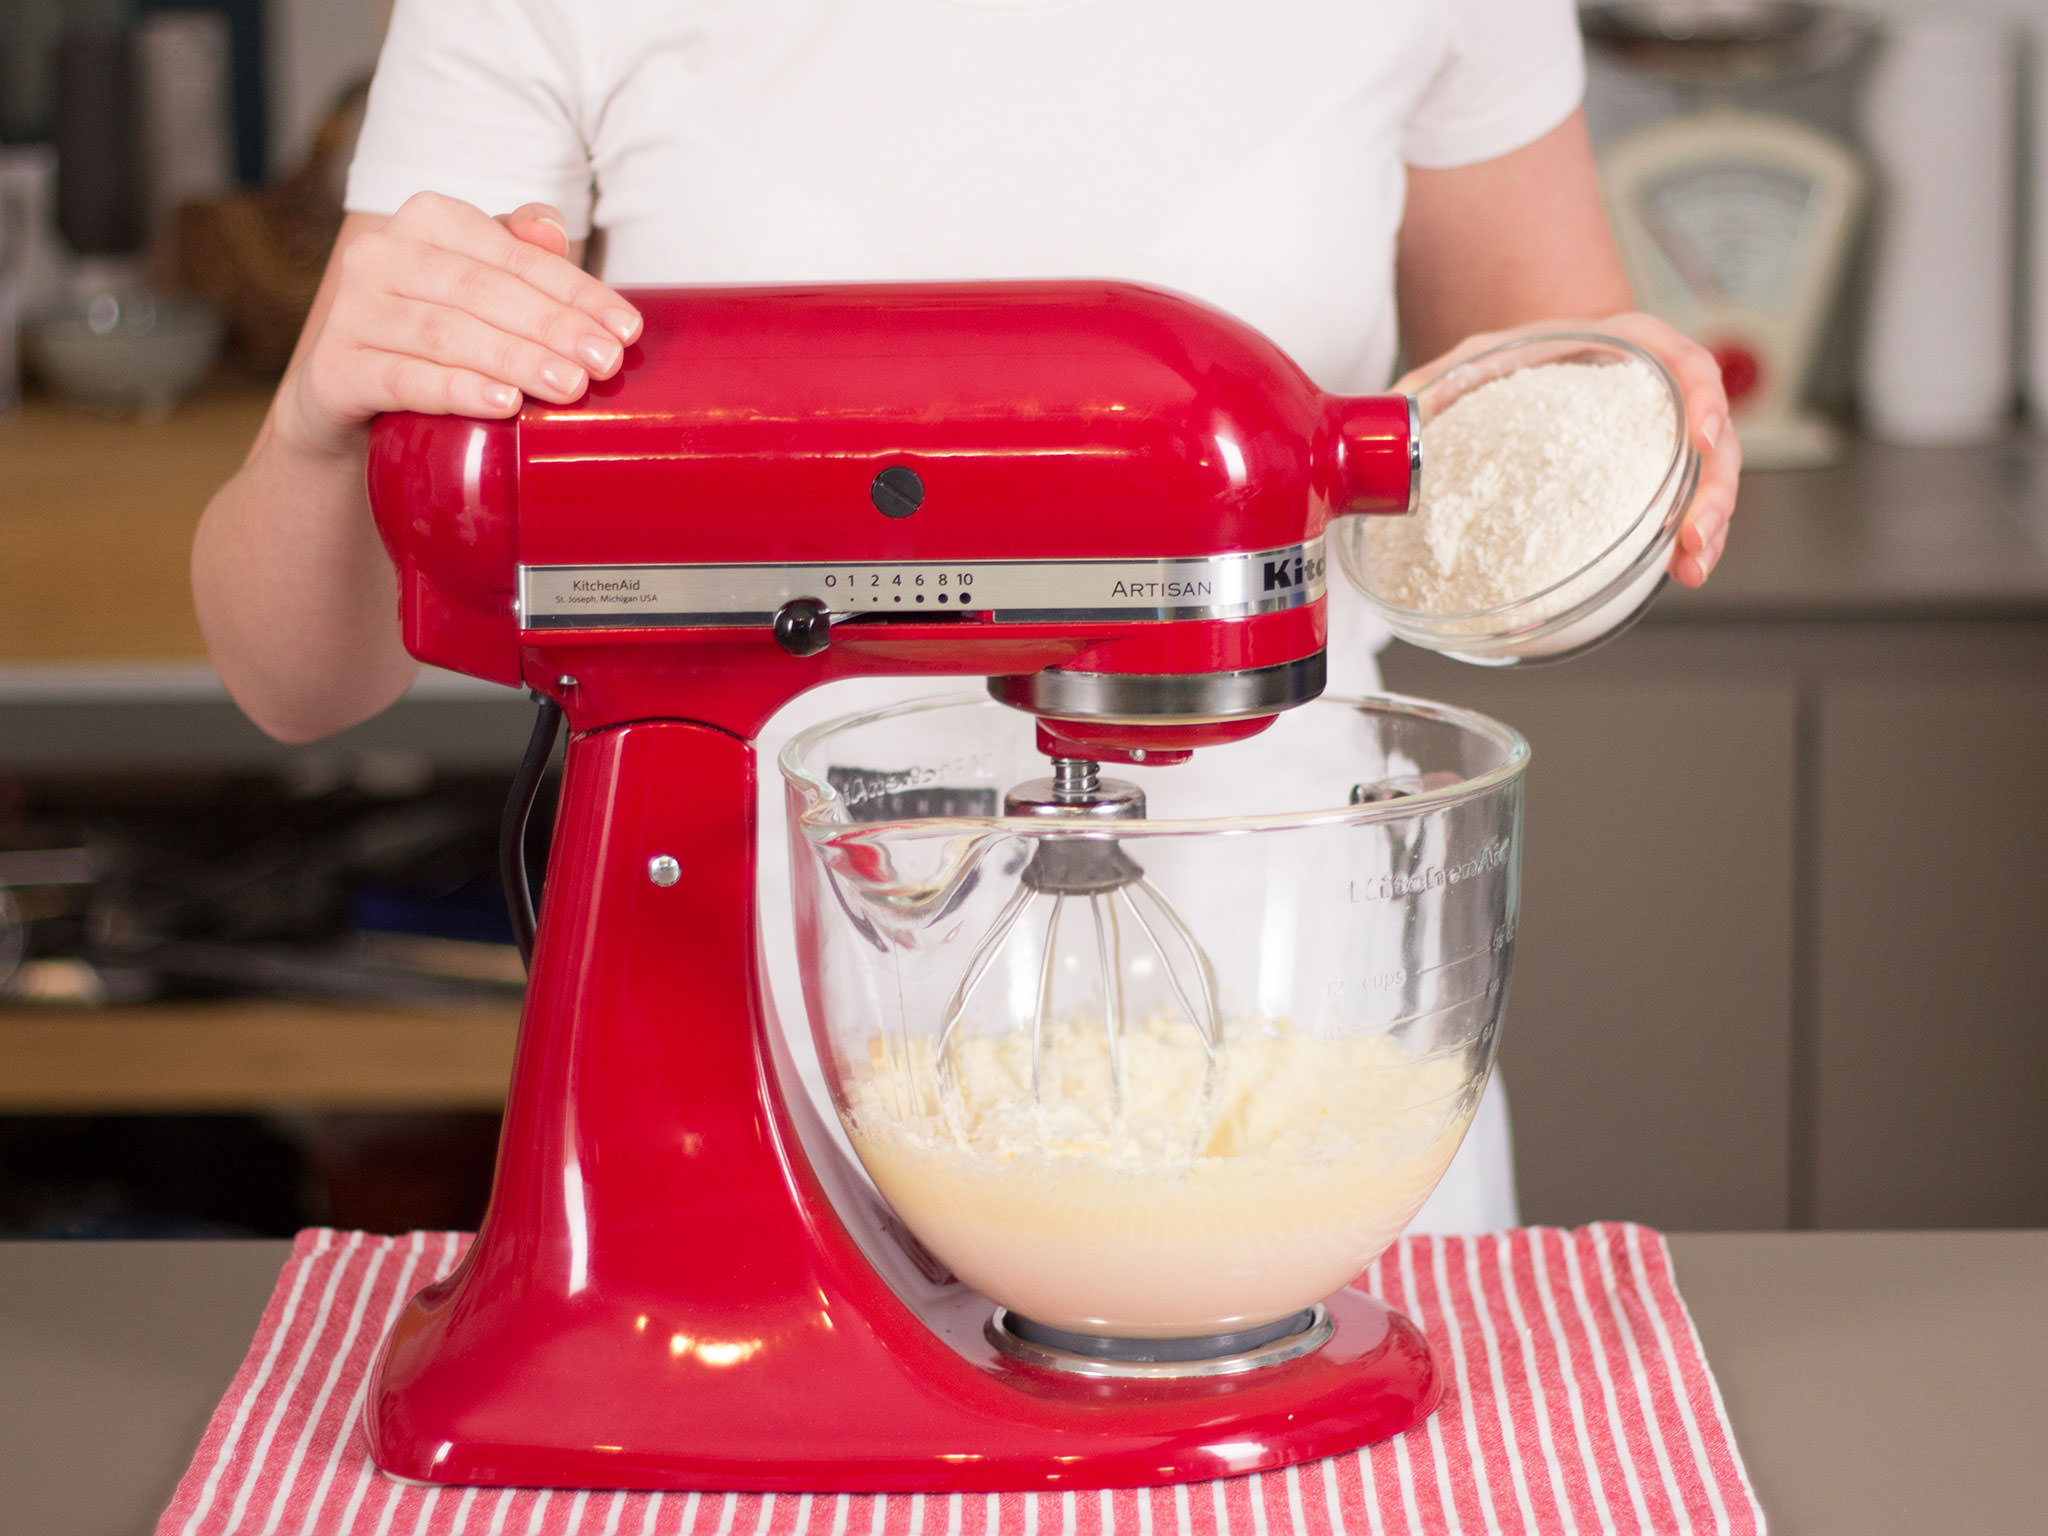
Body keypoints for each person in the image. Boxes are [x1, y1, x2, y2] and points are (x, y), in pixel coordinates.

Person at [191, 0, 1741, 1235]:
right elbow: (297, 680)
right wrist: (325, 423)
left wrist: (1609, 406)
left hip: (1298, 1070)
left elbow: (1522, 381)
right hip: (777, 1044)